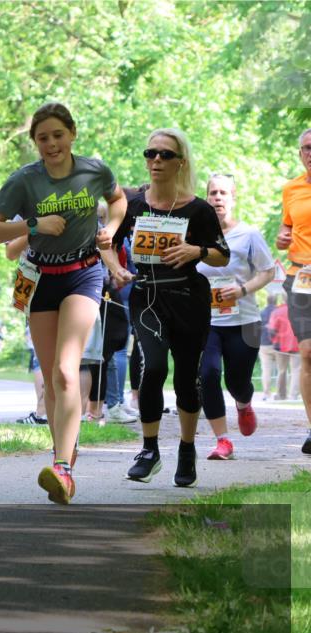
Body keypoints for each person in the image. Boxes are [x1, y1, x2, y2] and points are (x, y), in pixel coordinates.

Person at [0, 102, 126, 504]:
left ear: (72, 134)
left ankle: (62, 467)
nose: (51, 144)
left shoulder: (93, 170)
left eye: (58, 135)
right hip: (41, 278)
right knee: (51, 380)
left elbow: (117, 200)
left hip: (83, 273)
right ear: (35, 142)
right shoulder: (24, 181)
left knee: (65, 370)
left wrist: (111, 229)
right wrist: (33, 225)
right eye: (43, 138)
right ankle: (64, 457)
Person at [103, 129, 229, 488]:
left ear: (180, 162)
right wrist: (116, 269)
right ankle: (149, 450)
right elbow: (106, 243)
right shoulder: (133, 205)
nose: (156, 160)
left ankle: (187, 449)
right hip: (147, 296)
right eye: (151, 153)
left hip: (188, 297)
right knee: (153, 367)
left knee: (187, 378)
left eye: (165, 154)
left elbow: (222, 255)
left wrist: (196, 251)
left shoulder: (199, 209)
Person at [197, 174, 275, 460]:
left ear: (233, 198)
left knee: (237, 382)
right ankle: (223, 441)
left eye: (223, 193)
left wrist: (243, 290)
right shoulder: (195, 235)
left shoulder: (249, 235)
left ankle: (243, 404)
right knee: (208, 374)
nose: (217, 197)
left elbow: (268, 271)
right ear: (206, 198)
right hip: (206, 321)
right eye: (213, 193)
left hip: (245, 320)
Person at [274, 128, 311, 454]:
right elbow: (286, 228)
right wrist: (282, 238)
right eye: (307, 148)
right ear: (300, 153)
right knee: (308, 352)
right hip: (301, 277)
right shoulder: (292, 189)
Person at [269, 301, 301, 399]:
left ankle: (281, 395)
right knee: (296, 370)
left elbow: (272, 330)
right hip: (297, 344)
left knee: (281, 370)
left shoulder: (277, 311)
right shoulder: (300, 311)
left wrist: (274, 341)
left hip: (280, 345)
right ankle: (293, 395)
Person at [259, 293, 280, 401]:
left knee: (266, 370)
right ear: (276, 301)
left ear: (267, 301)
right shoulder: (279, 311)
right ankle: (280, 393)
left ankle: (266, 394)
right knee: (281, 370)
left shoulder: (261, 312)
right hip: (278, 344)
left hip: (264, 344)